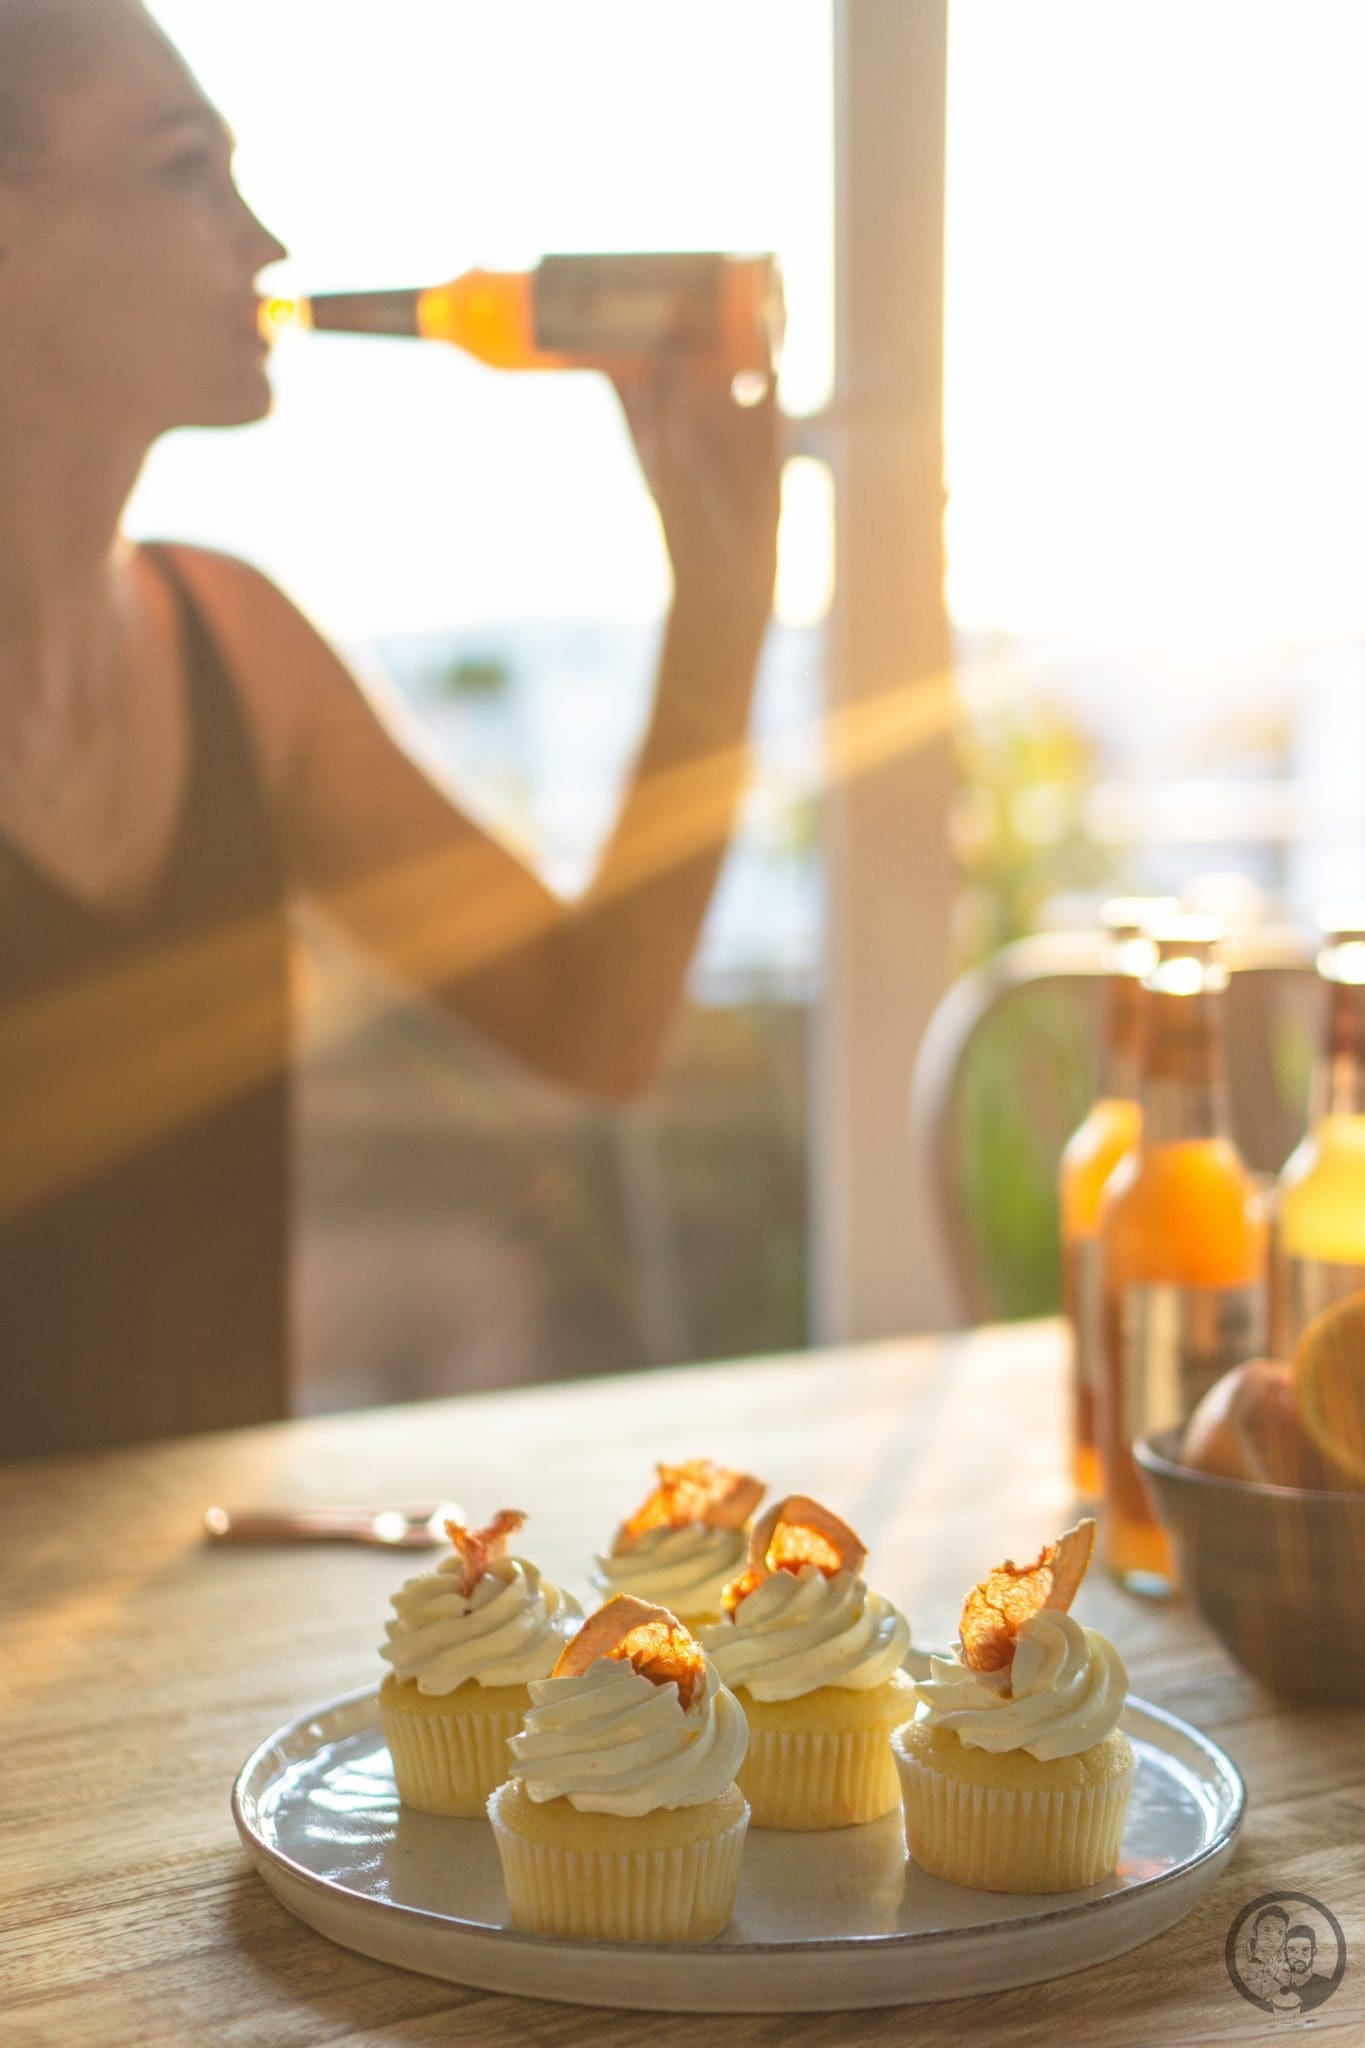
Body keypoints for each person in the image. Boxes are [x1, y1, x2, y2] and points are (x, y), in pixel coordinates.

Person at [0, 0, 779, 1457]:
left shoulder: (238, 646)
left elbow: (593, 1029)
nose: (267, 246)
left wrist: (722, 601)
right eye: (188, 171)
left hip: (194, 1620)